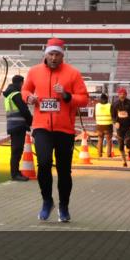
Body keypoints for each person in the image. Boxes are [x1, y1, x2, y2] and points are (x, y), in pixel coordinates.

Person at [22, 38, 90, 223]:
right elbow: (25, 90)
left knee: (64, 170)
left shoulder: (72, 73)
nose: (53, 58)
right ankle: (47, 201)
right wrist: (29, 98)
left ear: (62, 55)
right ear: (45, 54)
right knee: (43, 163)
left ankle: (64, 205)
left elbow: (84, 99)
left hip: (64, 129)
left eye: (57, 55)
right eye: (51, 54)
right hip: (42, 126)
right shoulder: (34, 72)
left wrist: (66, 95)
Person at [3, 74, 32, 181]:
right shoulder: (16, 94)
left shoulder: (9, 95)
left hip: (13, 125)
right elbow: (24, 110)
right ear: (21, 83)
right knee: (17, 150)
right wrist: (31, 121)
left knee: (16, 150)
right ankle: (15, 174)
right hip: (18, 126)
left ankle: (15, 172)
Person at [111, 86, 130, 167]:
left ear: (126, 95)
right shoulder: (114, 105)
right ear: (118, 95)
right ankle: (124, 161)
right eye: (120, 94)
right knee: (120, 145)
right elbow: (112, 116)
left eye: (124, 94)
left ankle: (129, 152)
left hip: (129, 126)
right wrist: (115, 122)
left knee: (128, 142)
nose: (122, 95)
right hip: (120, 127)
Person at [94, 92, 114, 159]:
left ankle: (99, 154)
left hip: (99, 126)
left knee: (100, 140)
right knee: (109, 140)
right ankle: (108, 154)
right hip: (108, 126)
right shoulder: (110, 105)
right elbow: (113, 116)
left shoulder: (97, 106)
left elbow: (94, 116)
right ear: (107, 99)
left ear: (100, 99)